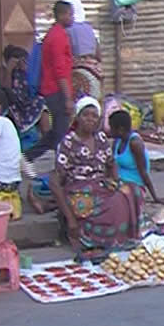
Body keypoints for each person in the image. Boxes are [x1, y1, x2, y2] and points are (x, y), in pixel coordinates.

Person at [49, 97, 141, 252]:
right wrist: (70, 219)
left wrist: (116, 181)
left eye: (94, 116)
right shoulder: (68, 142)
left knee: (132, 192)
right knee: (109, 203)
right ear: (77, 117)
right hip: (78, 188)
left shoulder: (101, 138)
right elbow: (56, 181)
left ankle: (124, 237)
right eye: (86, 115)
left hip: (100, 184)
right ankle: (97, 239)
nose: (90, 119)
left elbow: (111, 164)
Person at [22, 1, 74, 175]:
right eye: (70, 14)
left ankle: (29, 156)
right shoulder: (58, 37)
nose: (72, 18)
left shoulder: (53, 34)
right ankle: (61, 170)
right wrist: (67, 97)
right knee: (60, 133)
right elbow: (60, 70)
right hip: (56, 90)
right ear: (62, 15)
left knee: (58, 131)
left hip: (53, 88)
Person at [109, 110, 164, 205]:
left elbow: (143, 172)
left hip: (134, 185)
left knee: (117, 200)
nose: (110, 131)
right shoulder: (117, 142)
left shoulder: (135, 143)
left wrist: (155, 197)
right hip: (119, 182)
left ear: (120, 130)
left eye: (112, 128)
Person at [0, 45, 50, 135]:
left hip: (28, 100)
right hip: (12, 102)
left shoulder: (27, 71)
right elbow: (5, 88)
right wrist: (9, 70)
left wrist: (27, 70)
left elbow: (35, 87)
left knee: (42, 104)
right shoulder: (3, 70)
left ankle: (48, 141)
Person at [62, 0, 102, 99]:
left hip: (78, 71)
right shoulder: (89, 28)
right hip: (95, 71)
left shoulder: (67, 29)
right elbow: (98, 53)